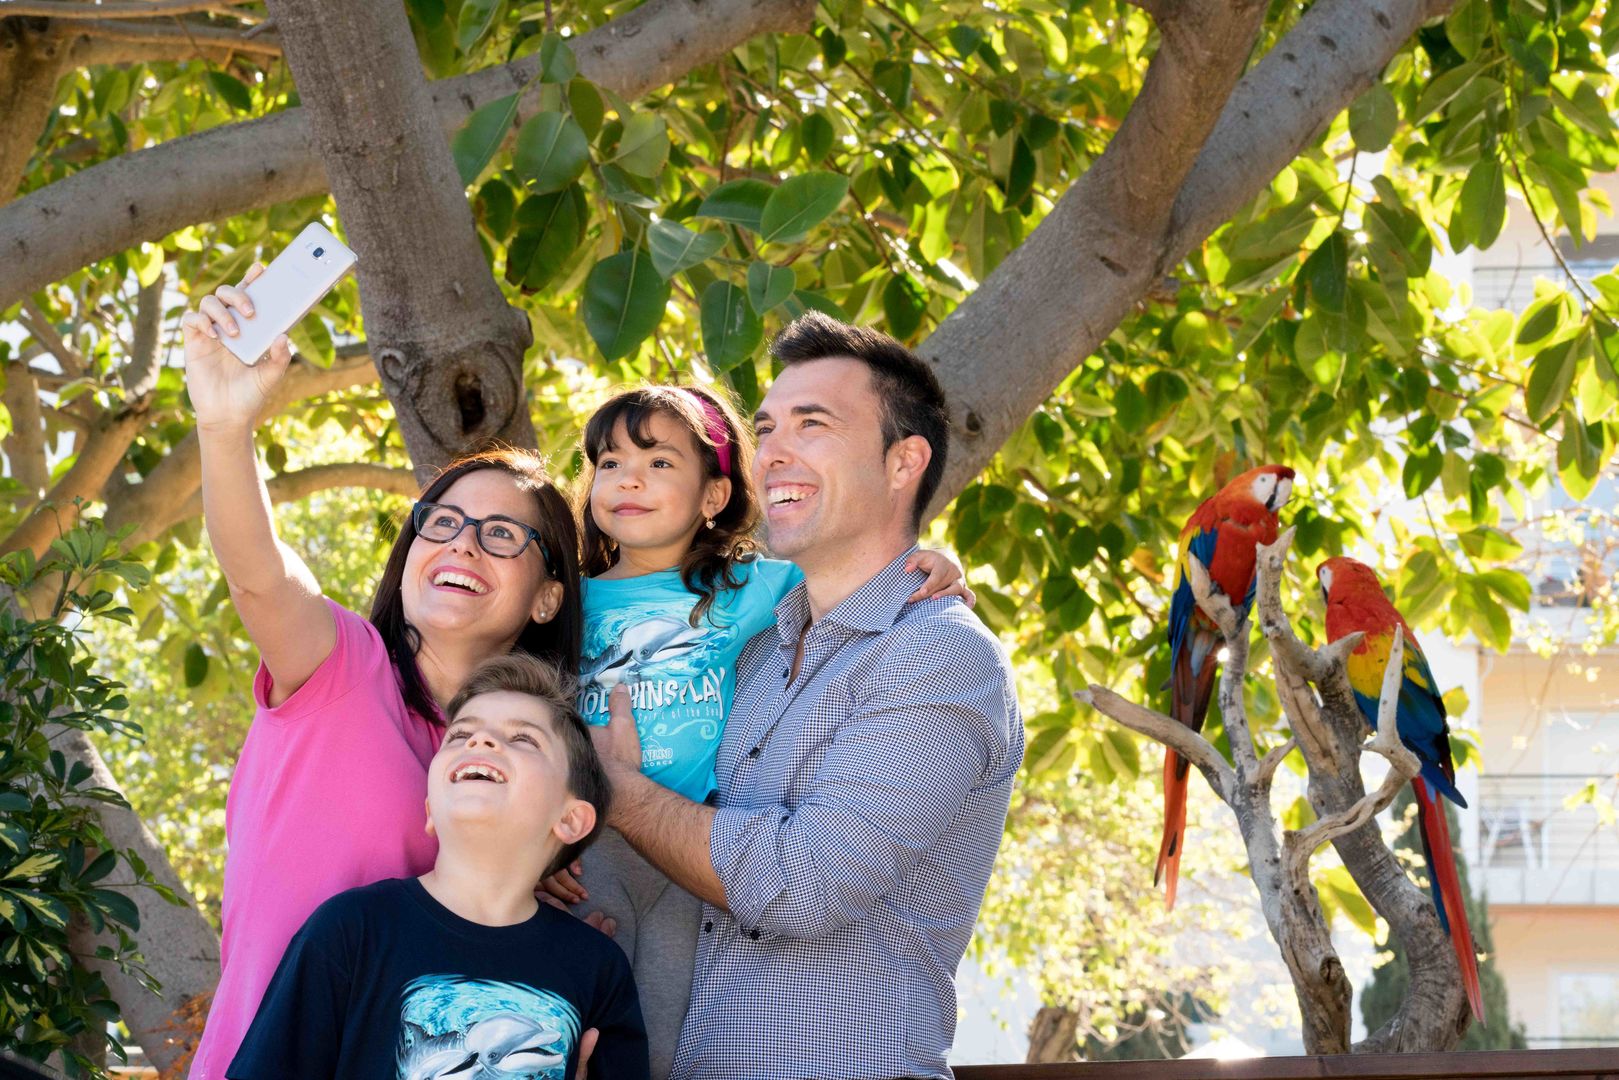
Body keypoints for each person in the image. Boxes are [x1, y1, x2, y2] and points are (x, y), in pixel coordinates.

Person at [588, 313, 1024, 1080]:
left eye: (812, 424)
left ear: (903, 463)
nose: (774, 453)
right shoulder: (751, 651)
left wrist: (612, 792)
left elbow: (803, 887)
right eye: (765, 429)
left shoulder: (940, 655)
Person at [180, 266, 583, 1080]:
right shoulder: (339, 664)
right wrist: (225, 427)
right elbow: (260, 576)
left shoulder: (522, 762)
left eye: (503, 536)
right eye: (444, 522)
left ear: (547, 598)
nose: (463, 545)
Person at [228, 654, 648, 1080]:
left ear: (570, 819)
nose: (479, 742)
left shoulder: (598, 967)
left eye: (523, 739)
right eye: (461, 734)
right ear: (431, 810)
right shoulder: (350, 929)